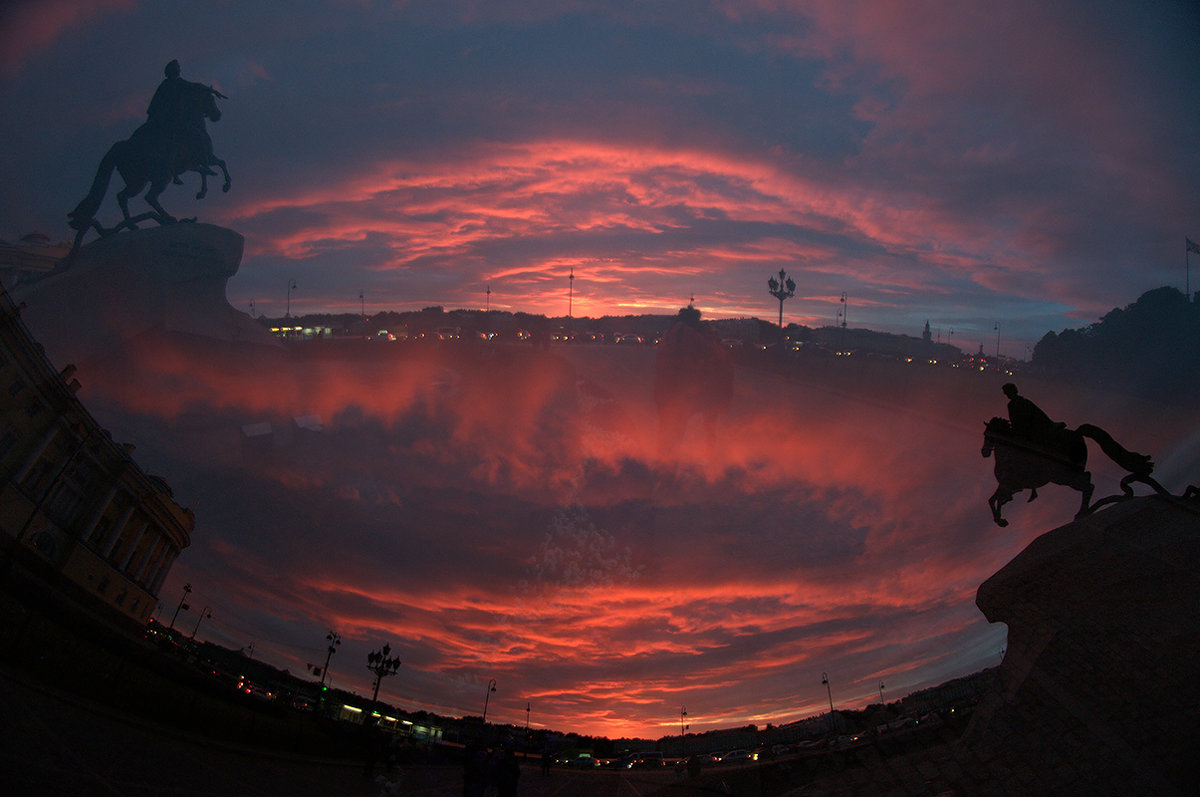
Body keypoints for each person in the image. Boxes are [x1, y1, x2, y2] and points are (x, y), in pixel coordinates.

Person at [145, 60, 217, 182]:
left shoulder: (173, 83)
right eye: (177, 68)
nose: (179, 71)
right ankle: (176, 169)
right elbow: (192, 86)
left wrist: (210, 91)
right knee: (181, 137)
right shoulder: (172, 84)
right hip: (165, 120)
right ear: (173, 71)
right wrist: (208, 90)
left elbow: (193, 86)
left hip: (166, 119)